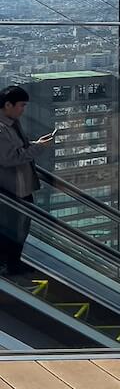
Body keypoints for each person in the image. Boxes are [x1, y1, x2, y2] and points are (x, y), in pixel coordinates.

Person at [0, 86, 53, 276]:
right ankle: (10, 266)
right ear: (8, 105)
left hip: (22, 186)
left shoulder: (12, 123)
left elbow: (19, 149)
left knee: (20, 229)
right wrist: (39, 148)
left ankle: (13, 263)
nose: (23, 109)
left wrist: (36, 144)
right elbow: (9, 158)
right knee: (13, 230)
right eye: (21, 105)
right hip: (11, 189)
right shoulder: (2, 129)